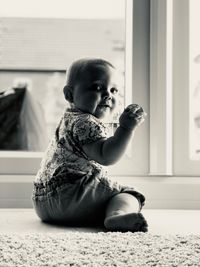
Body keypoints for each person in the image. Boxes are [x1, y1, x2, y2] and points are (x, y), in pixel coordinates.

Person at [32, 58, 148, 232]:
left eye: (114, 90)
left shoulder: (70, 119)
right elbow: (106, 155)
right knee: (129, 194)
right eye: (98, 88)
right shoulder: (86, 121)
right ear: (69, 95)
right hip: (72, 196)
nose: (108, 95)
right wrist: (126, 128)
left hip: (43, 202)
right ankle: (116, 215)